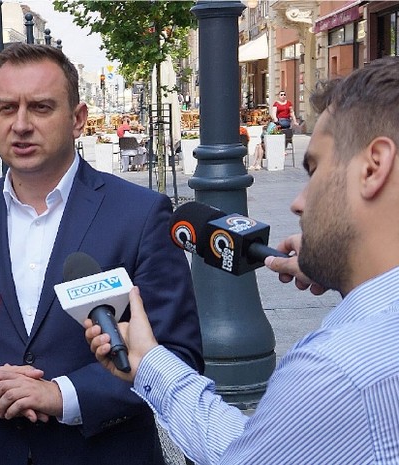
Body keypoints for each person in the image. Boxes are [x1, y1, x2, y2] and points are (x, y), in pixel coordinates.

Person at [85, 57, 399, 464]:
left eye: (314, 169)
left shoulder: (339, 370)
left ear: (373, 167)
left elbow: (241, 455)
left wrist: (147, 360)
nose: (298, 202)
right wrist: (351, 270)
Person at [0, 43, 203, 464]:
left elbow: (178, 354)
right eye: (7, 108)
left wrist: (61, 395)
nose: (21, 125)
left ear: (78, 119)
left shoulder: (140, 214)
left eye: (41, 107)